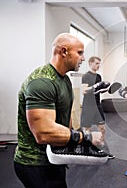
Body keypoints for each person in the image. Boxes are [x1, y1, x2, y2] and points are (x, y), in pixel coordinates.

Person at [13, 33, 103, 188]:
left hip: (54, 158)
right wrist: (86, 137)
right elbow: (43, 133)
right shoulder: (42, 82)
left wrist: (79, 144)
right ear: (64, 51)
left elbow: (64, 122)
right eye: (80, 53)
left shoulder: (64, 79)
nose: (83, 58)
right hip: (35, 163)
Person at [80, 56, 114, 159]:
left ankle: (101, 148)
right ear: (90, 63)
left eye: (99, 64)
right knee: (87, 129)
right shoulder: (85, 76)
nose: (98, 65)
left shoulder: (98, 76)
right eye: (96, 63)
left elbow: (98, 90)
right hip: (88, 106)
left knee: (102, 128)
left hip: (97, 105)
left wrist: (104, 89)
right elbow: (84, 91)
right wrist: (96, 86)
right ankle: (88, 149)